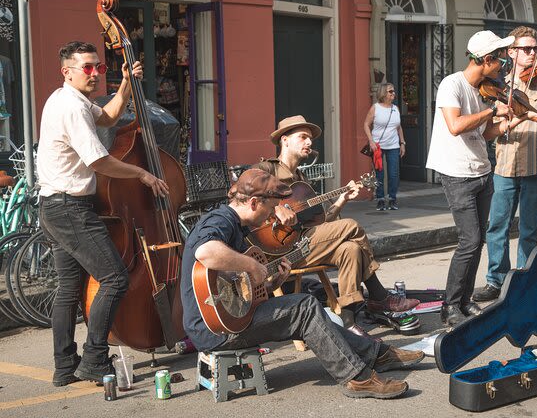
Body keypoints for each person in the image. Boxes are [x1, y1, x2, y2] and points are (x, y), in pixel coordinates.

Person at [180, 168, 424, 399]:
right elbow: (205, 251)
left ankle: (376, 354)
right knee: (304, 307)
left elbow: (240, 293)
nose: (272, 214)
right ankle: (357, 378)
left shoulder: (239, 229)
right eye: (271, 207)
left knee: (308, 311)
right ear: (254, 203)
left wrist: (273, 281)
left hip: (230, 317)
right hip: (215, 329)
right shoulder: (221, 220)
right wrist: (252, 265)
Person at [37, 41, 169, 386]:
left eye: (99, 67)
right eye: (87, 68)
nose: (95, 73)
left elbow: (109, 116)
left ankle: (65, 366)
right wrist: (142, 173)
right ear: (67, 71)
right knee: (115, 278)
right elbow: (99, 161)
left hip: (54, 206)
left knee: (68, 290)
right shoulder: (71, 108)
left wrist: (125, 83)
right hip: (69, 208)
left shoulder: (72, 100)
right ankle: (95, 358)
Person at [252, 115, 420, 337]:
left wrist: (342, 200)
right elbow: (239, 196)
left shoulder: (302, 180)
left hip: (306, 244)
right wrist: (275, 209)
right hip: (279, 252)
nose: (309, 143)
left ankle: (348, 323)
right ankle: (379, 297)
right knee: (351, 225)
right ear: (284, 140)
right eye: (303, 137)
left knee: (350, 249)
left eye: (310, 139)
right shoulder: (266, 169)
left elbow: (321, 225)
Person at [426, 30, 532, 327]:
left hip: (481, 170)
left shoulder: (481, 90)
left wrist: (510, 121)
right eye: (499, 59)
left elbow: (484, 134)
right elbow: (456, 126)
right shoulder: (452, 85)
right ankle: (449, 306)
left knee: (479, 240)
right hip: (457, 174)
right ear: (486, 60)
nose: (502, 65)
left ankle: (464, 299)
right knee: (469, 240)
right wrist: (490, 111)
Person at [475, 26, 537, 303]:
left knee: (530, 227)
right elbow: (491, 126)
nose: (533, 53)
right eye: (526, 49)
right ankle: (496, 281)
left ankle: (523, 280)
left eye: (535, 49)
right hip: (505, 164)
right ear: (512, 52)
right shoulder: (499, 82)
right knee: (497, 225)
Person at [363, 83, 406, 211]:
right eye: (390, 91)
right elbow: (366, 124)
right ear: (383, 93)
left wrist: (402, 143)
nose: (393, 93)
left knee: (393, 174)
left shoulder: (395, 108)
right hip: (378, 147)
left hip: (393, 146)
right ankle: (380, 199)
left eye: (393, 91)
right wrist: (371, 141)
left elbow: (398, 127)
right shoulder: (375, 108)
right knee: (379, 174)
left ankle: (392, 199)